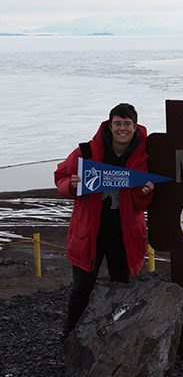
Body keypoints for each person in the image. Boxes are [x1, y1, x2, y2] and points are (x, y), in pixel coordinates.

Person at [55, 103, 155, 337]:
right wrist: (69, 186)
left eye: (127, 124)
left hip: (124, 235)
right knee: (81, 290)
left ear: (135, 126)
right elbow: (60, 177)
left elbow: (143, 204)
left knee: (121, 287)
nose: (122, 128)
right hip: (88, 234)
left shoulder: (144, 157)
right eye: (117, 123)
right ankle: (70, 337)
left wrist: (143, 194)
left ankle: (116, 337)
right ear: (110, 126)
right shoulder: (87, 151)